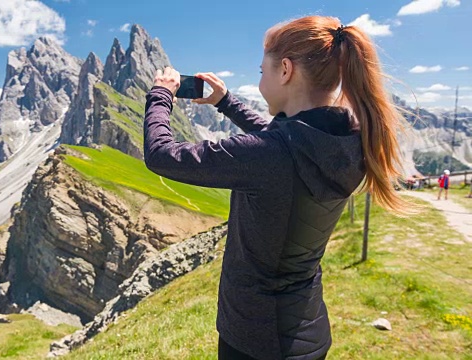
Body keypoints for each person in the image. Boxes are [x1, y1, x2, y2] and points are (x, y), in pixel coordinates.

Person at [143, 15, 408, 360]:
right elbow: (283, 141)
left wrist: (161, 95)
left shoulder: (272, 155)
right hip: (305, 330)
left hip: (256, 338)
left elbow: (162, 156)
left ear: (285, 70)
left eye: (261, 71)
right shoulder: (351, 139)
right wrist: (226, 103)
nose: (259, 81)